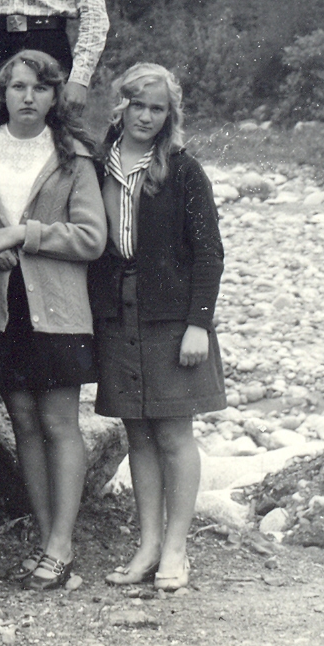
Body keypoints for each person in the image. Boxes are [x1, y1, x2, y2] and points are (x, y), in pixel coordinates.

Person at [0, 50, 108, 590]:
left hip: (57, 307)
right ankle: (46, 536)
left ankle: (61, 544)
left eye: (40, 88)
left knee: (58, 423)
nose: (28, 97)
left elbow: (92, 237)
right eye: (18, 87)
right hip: (0, 304)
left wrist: (23, 234)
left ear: (55, 97)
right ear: (2, 93)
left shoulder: (73, 155)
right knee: (23, 424)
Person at [91, 63, 225, 594]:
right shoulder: (97, 163)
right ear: (120, 106)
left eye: (157, 108)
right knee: (138, 434)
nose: (146, 117)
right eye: (137, 105)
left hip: (170, 315)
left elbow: (209, 252)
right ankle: (147, 546)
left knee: (172, 433)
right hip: (116, 310)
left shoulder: (184, 170)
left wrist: (199, 325)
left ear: (170, 115)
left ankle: (176, 548)